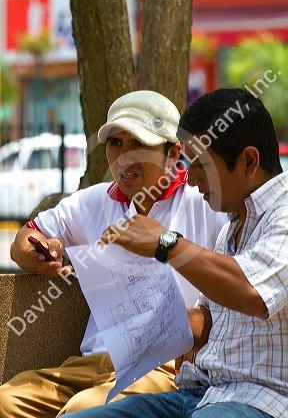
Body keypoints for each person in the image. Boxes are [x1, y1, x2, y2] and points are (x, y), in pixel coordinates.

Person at [64, 88, 288, 418]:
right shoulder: (234, 225)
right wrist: (147, 322)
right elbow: (213, 319)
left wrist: (166, 244)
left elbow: (251, 293)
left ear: (249, 160)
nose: (193, 179)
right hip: (200, 392)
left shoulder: (283, 213)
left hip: (259, 399)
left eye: (202, 165)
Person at [1, 90, 225, 418]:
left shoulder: (202, 203)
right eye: (115, 143)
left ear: (173, 152)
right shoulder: (91, 202)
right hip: (88, 364)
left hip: (160, 369)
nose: (124, 157)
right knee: (7, 400)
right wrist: (40, 255)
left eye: (138, 144)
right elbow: (24, 239)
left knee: (82, 410)